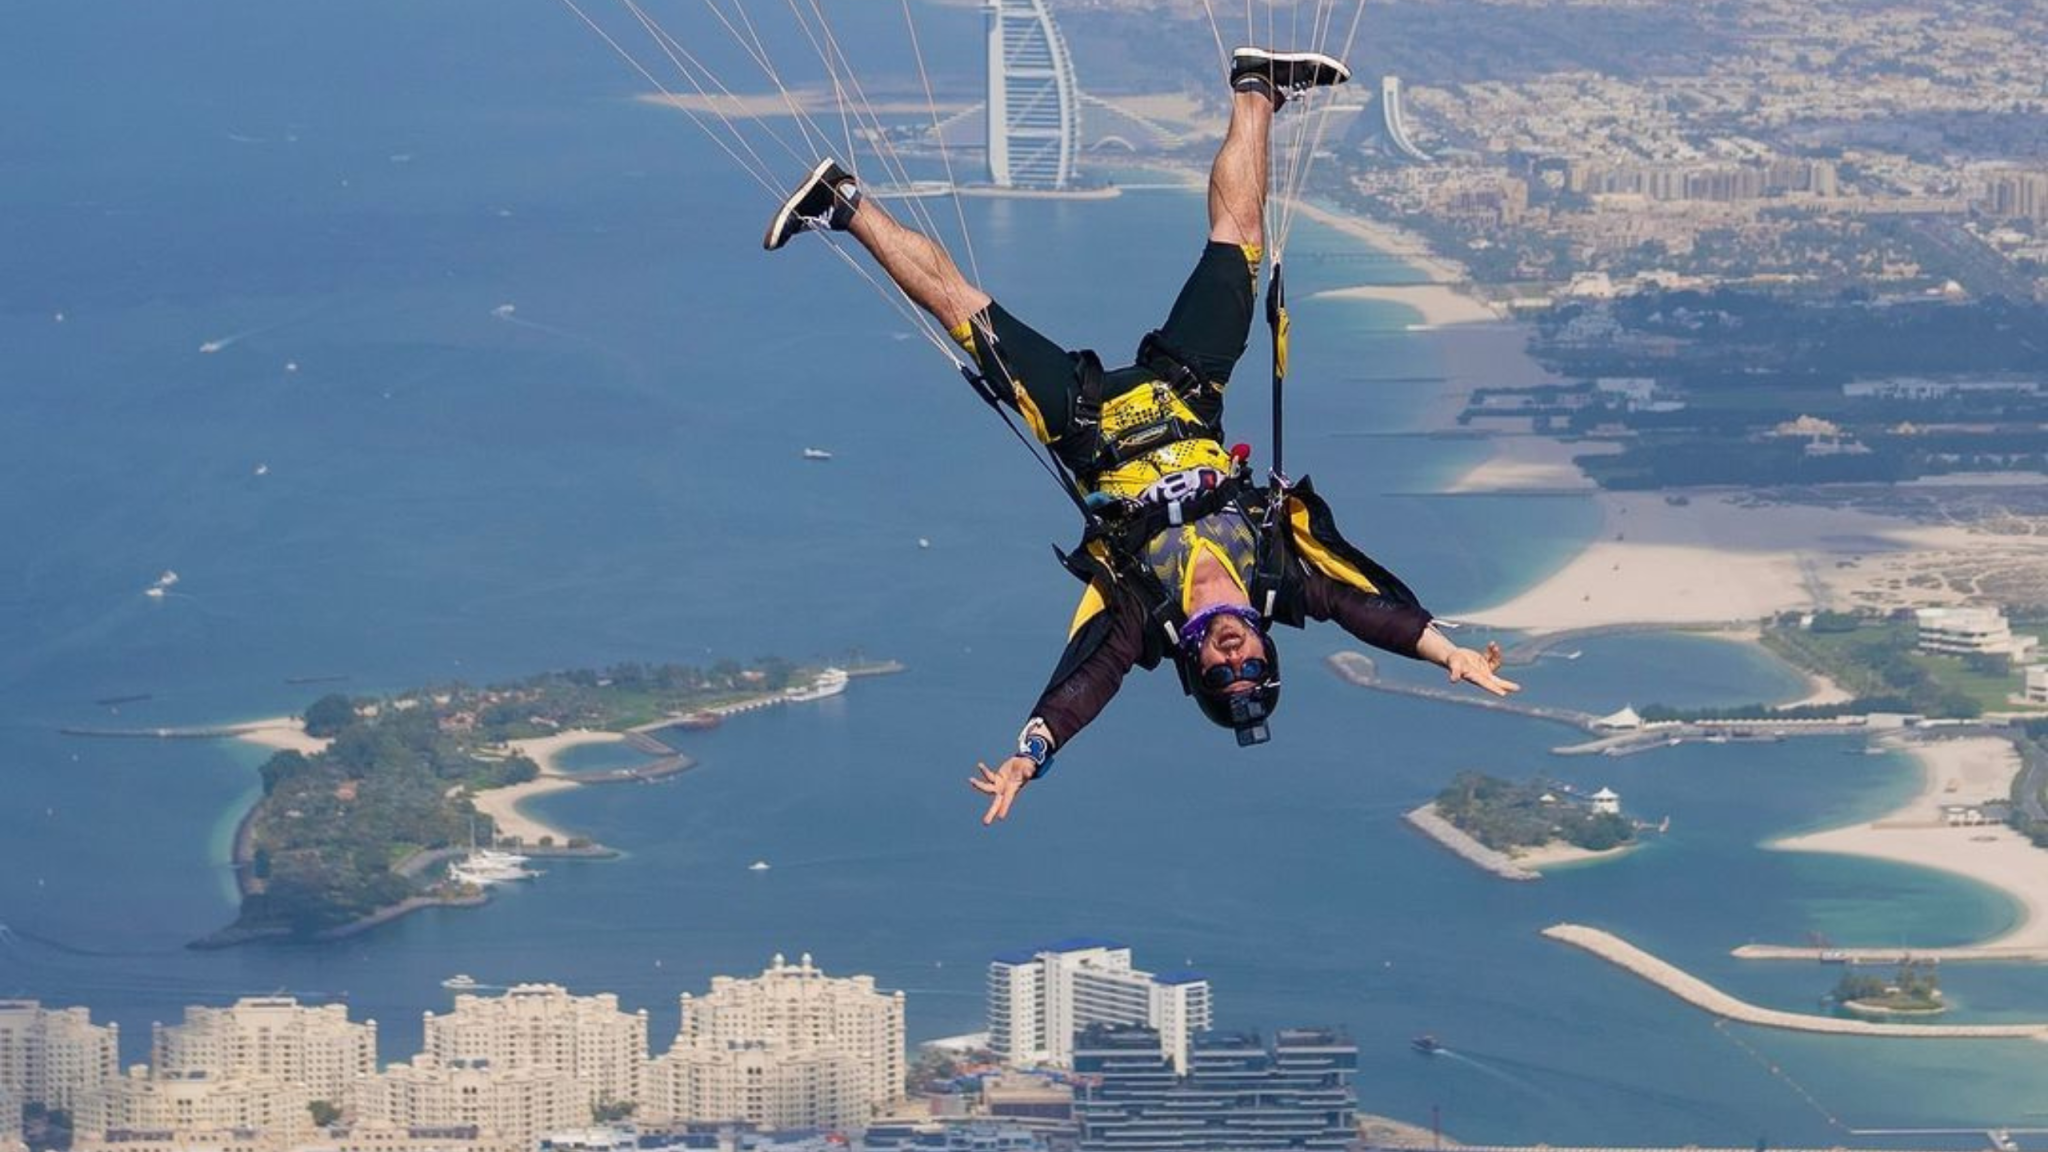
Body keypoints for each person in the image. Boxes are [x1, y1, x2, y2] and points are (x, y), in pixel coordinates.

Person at [763, 46, 1520, 825]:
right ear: (1266, 651)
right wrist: (1448, 653)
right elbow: (1371, 610)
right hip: (1186, 399)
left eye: (1221, 674)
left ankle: (842, 202)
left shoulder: (1143, 614)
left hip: (1088, 428)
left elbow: (1087, 683)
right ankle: (1258, 89)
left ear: (1195, 667)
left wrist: (1032, 753)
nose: (1233, 659)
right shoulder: (1282, 577)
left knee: (964, 313)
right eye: (1250, 667)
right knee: (1240, 237)